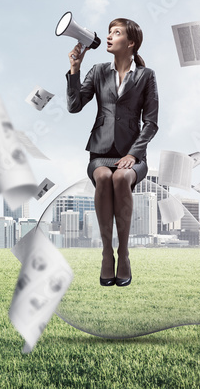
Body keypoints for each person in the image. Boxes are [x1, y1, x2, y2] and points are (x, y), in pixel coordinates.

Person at [66, 18, 158, 287]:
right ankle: (108, 253)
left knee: (120, 178)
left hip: (134, 154)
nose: (108, 37)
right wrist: (74, 69)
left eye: (115, 33)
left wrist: (133, 154)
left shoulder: (146, 76)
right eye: (108, 32)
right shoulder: (97, 71)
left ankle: (124, 253)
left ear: (130, 43)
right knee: (105, 177)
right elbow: (74, 106)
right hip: (100, 153)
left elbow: (151, 122)